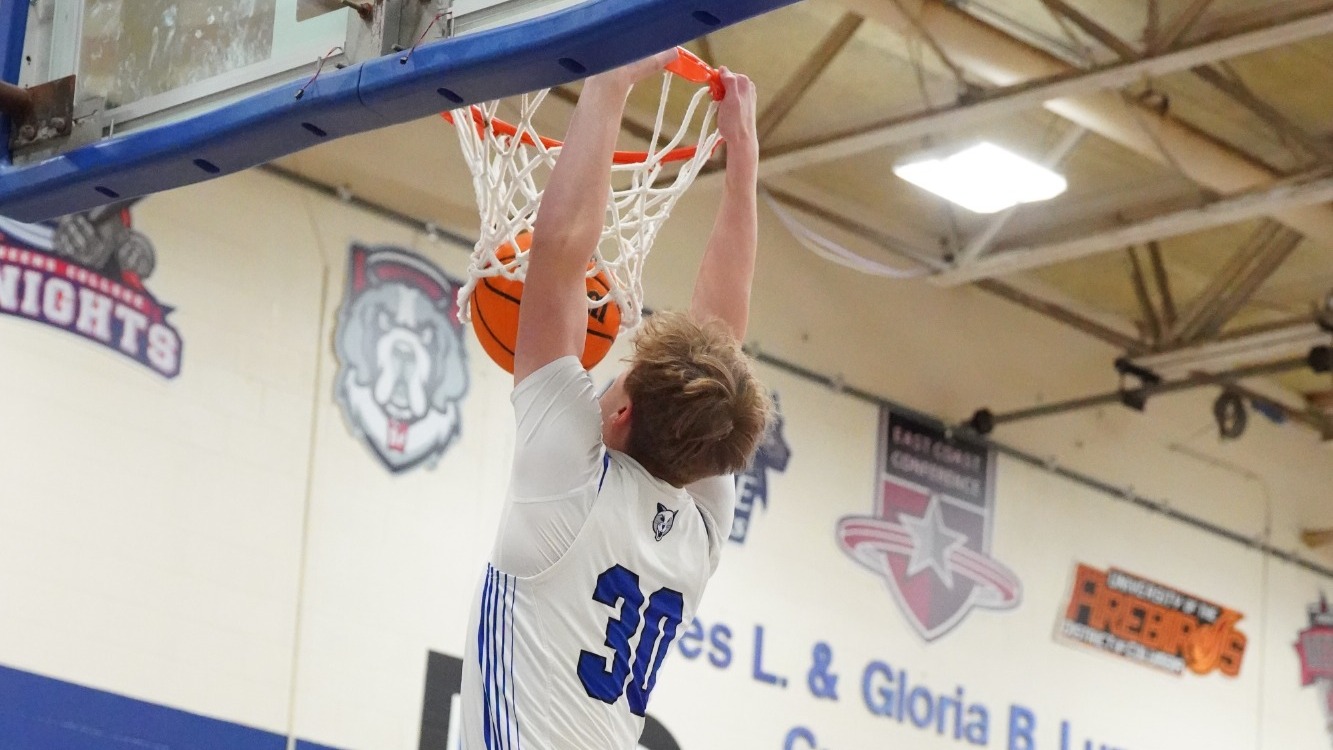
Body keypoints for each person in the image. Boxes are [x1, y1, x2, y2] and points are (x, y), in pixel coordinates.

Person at [460, 50, 773, 749]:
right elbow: (716, 333)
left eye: (617, 375)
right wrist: (739, 164)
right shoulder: (694, 527)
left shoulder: (570, 483)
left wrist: (610, 80)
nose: (605, 376)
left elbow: (561, 252)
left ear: (621, 413)